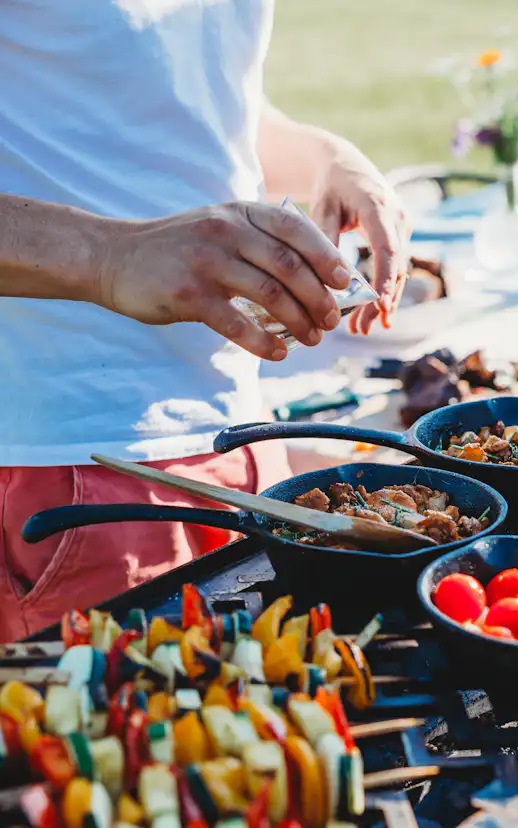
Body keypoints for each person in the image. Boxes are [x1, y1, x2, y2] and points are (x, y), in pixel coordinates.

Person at [0, 1, 409, 643]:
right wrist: (108, 257)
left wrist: (323, 158)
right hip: (80, 467)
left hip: (242, 440)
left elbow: (183, 95)